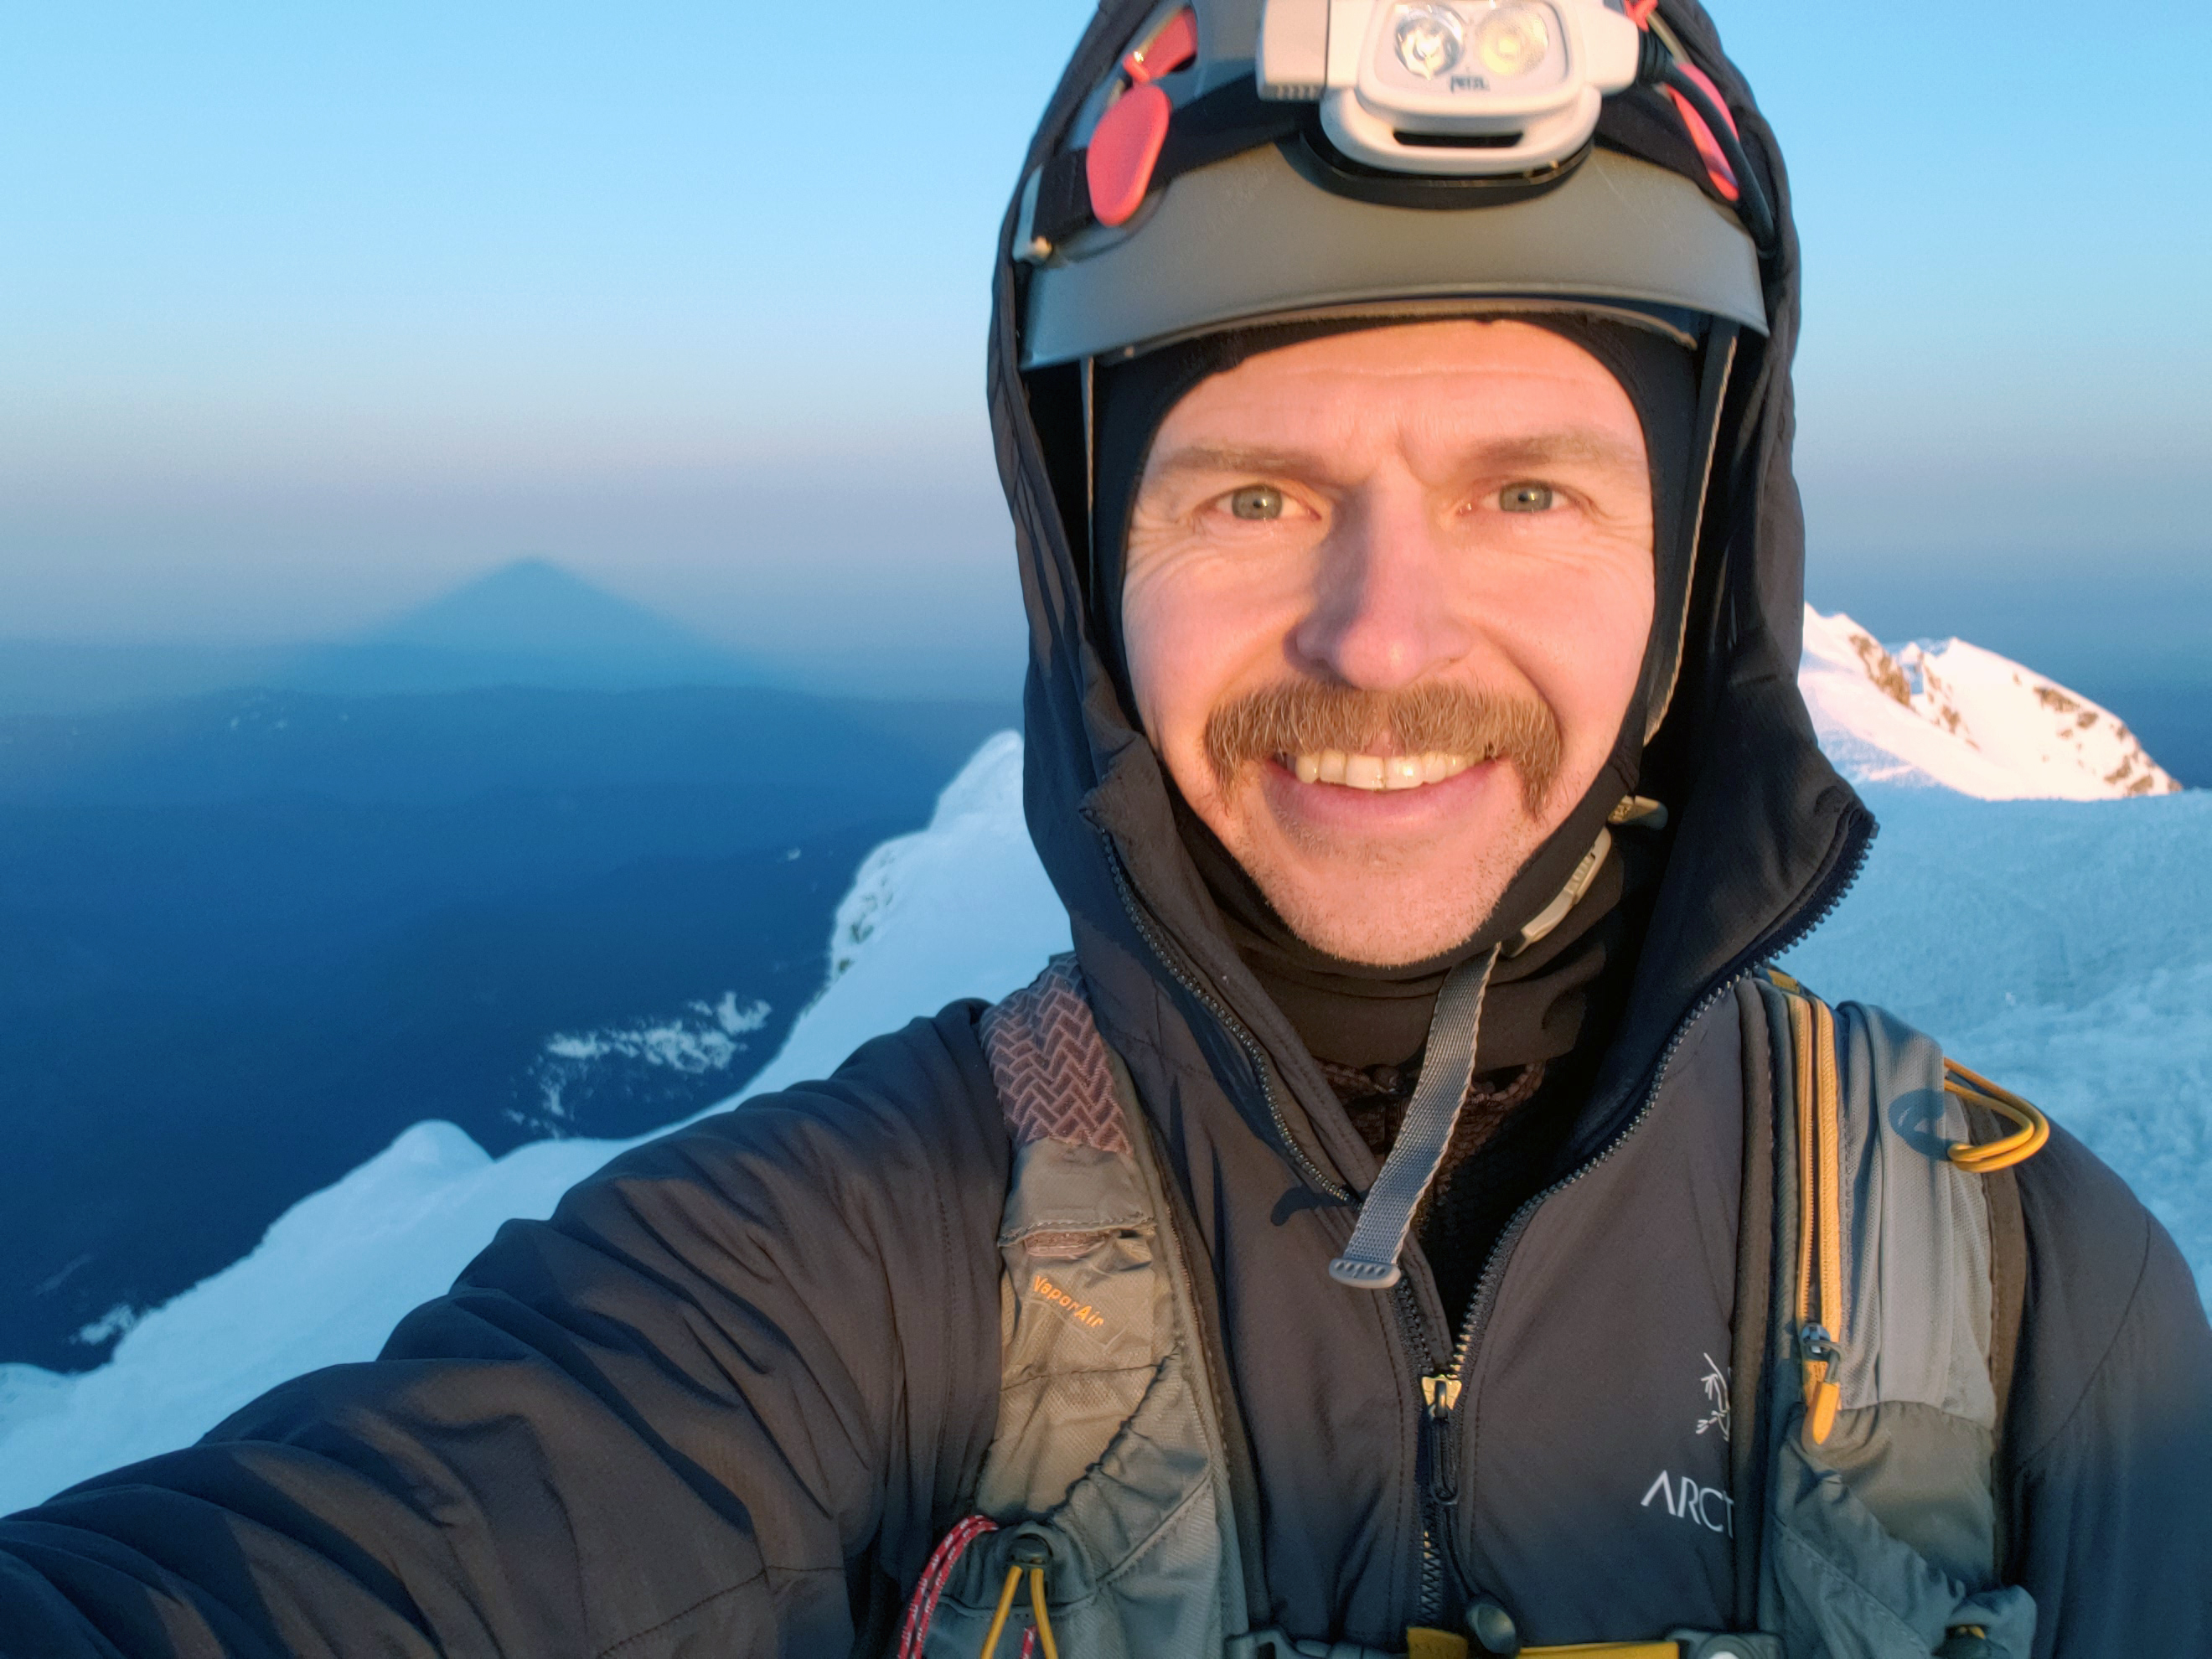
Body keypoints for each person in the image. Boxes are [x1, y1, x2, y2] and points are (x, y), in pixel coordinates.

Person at [3, 2, 2208, 1655]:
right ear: (1089, 572)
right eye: (1252, 495)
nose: (1380, 634)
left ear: (1696, 569)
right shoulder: (853, 1274)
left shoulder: (2032, 1305)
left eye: (1527, 489)